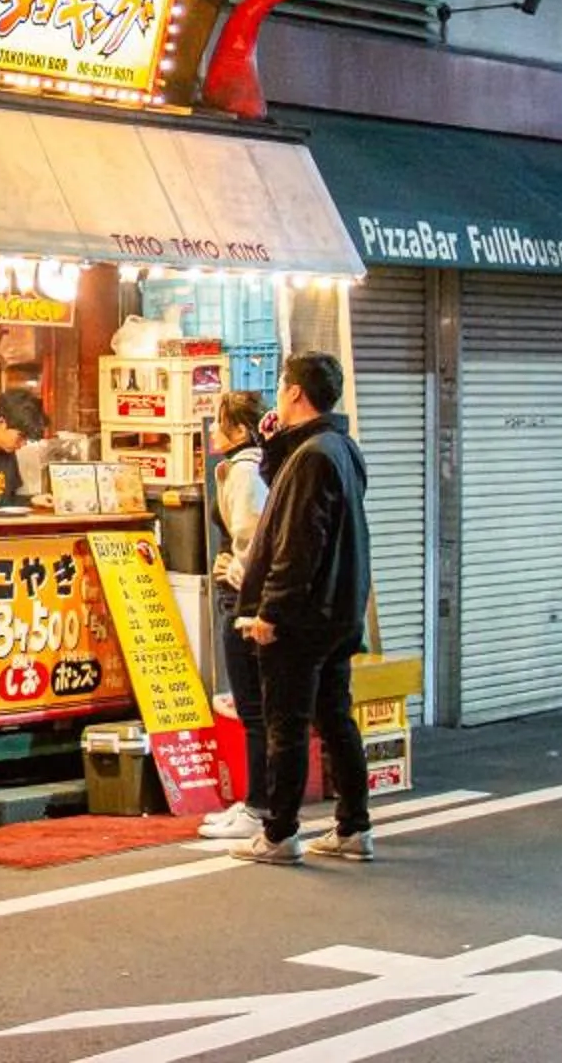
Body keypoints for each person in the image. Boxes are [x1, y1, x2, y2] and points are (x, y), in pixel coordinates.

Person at [230, 353, 372, 865]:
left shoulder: (313, 456)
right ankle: (354, 827)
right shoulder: (337, 447)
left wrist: (272, 611)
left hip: (304, 615)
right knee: (335, 716)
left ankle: (279, 834)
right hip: (338, 609)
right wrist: (271, 446)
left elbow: (298, 543)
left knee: (286, 723)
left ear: (294, 393)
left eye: (282, 386)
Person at [197, 392, 273, 842]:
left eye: (219, 423)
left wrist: (236, 571)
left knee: (254, 708)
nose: (211, 431)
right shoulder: (244, 467)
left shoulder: (245, 472)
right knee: (254, 707)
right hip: (243, 597)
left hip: (243, 600)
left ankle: (259, 805)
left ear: (240, 430)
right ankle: (254, 802)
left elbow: (254, 537)